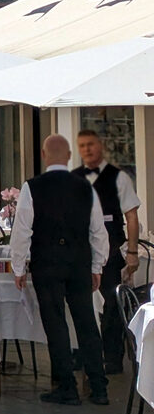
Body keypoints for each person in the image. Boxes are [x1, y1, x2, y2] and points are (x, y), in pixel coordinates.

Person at [11, 132, 110, 406]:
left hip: (47, 263)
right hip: (79, 263)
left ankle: (67, 386)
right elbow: (98, 231)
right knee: (86, 323)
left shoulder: (32, 187)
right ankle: (99, 387)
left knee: (55, 324)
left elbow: (22, 231)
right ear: (69, 156)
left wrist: (18, 267)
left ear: (44, 156)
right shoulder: (86, 188)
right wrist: (97, 265)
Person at [74, 128, 141, 374]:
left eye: (91, 144)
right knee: (81, 303)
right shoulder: (74, 178)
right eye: (82, 145)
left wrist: (132, 252)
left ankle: (112, 357)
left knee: (112, 304)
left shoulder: (118, 177)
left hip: (112, 248)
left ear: (100, 146)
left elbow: (131, 216)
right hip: (81, 250)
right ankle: (83, 353)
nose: (87, 149)